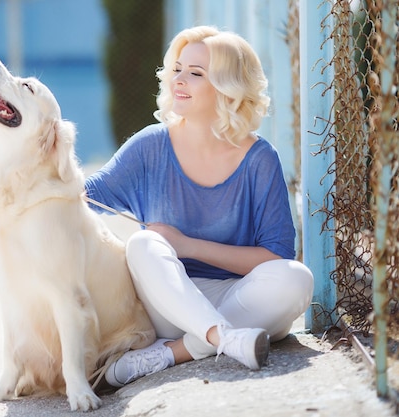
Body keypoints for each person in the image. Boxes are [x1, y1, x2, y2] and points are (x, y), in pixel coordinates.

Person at [84, 26, 314, 388]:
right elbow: (87, 195)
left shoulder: (259, 159)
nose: (179, 80)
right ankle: (225, 339)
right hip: (168, 302)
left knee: (297, 278)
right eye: (177, 69)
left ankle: (174, 352)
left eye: (195, 73)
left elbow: (275, 255)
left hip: (240, 298)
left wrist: (188, 245)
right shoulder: (150, 146)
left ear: (228, 87)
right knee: (142, 244)